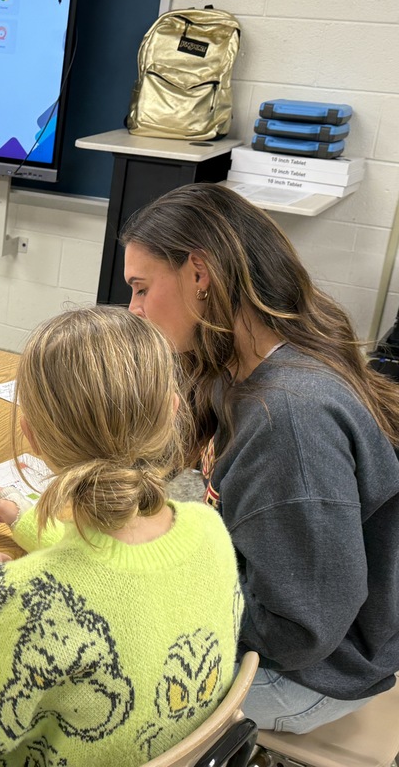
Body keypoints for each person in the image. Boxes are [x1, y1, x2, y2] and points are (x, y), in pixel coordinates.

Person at [0, 307, 241, 766]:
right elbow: (113, 571)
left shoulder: (32, 602)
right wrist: (28, 522)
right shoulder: (206, 529)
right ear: (174, 409)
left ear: (32, 436)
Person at [119, 182, 399, 734]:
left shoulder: (290, 419)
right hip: (287, 631)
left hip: (310, 674)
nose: (134, 310)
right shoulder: (242, 366)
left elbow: (301, 630)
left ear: (199, 275)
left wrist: (157, 583)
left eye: (141, 288)